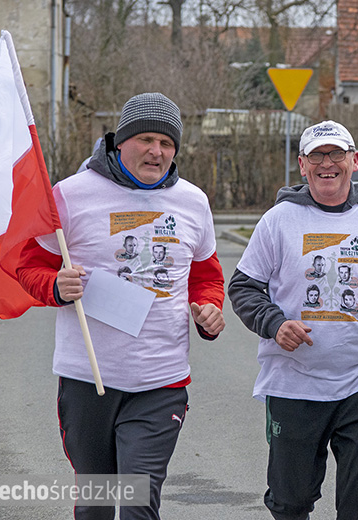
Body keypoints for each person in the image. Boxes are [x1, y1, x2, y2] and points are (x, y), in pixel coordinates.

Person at [16, 92, 226, 520]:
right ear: (119, 141)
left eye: (167, 143)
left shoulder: (192, 202)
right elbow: (28, 264)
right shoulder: (71, 195)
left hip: (161, 379)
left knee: (137, 501)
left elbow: (206, 274)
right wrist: (55, 285)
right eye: (146, 139)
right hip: (89, 379)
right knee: (96, 501)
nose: (156, 151)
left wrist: (207, 308)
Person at [227, 120, 358, 520]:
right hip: (294, 381)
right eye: (316, 156)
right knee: (290, 502)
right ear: (302, 165)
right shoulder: (278, 220)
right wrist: (275, 324)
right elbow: (242, 287)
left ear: (354, 161)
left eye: (336, 154)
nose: (327, 163)